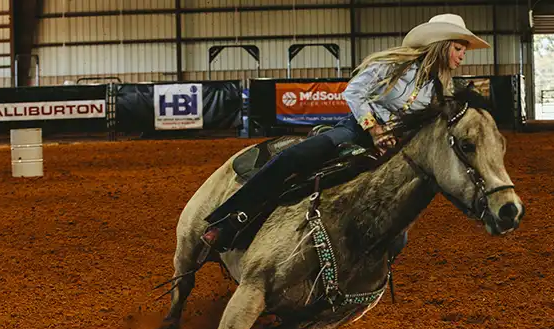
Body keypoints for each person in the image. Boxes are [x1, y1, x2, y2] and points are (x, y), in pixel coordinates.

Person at [201, 13, 490, 252]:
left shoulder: (439, 88)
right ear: (441, 45)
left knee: (399, 217)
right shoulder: (393, 66)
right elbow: (354, 91)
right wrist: (374, 129)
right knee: (295, 157)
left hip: (394, 147)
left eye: (463, 50)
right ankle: (230, 219)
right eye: (458, 48)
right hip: (356, 130)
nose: (462, 56)